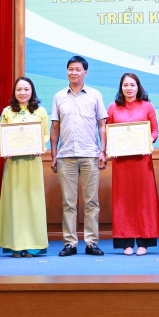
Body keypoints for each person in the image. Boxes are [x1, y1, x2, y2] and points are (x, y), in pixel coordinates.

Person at [51, 56, 108, 256]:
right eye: (70, 69)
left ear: (85, 72)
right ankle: (70, 243)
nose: (73, 72)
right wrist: (54, 154)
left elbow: (102, 125)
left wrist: (103, 150)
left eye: (77, 69)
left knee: (92, 201)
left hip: (90, 154)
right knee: (68, 202)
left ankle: (91, 242)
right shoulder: (59, 96)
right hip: (65, 156)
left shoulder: (95, 95)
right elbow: (55, 127)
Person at [106, 73, 159, 256]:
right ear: (121, 88)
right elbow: (108, 131)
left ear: (138, 87)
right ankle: (126, 243)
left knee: (144, 200)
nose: (129, 88)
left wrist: (148, 141)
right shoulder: (113, 107)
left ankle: (144, 242)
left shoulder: (147, 106)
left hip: (142, 161)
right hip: (122, 163)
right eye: (125, 85)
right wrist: (109, 147)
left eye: (132, 85)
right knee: (123, 201)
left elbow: (155, 131)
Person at [0, 77, 50, 256]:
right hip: (13, 163)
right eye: (19, 89)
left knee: (33, 201)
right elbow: (1, 133)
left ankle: (33, 245)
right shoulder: (7, 112)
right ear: (14, 92)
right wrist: (4, 147)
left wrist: (40, 146)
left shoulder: (40, 111)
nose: (23, 93)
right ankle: (15, 245)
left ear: (32, 91)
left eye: (26, 89)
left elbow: (46, 135)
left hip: (32, 162)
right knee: (15, 202)